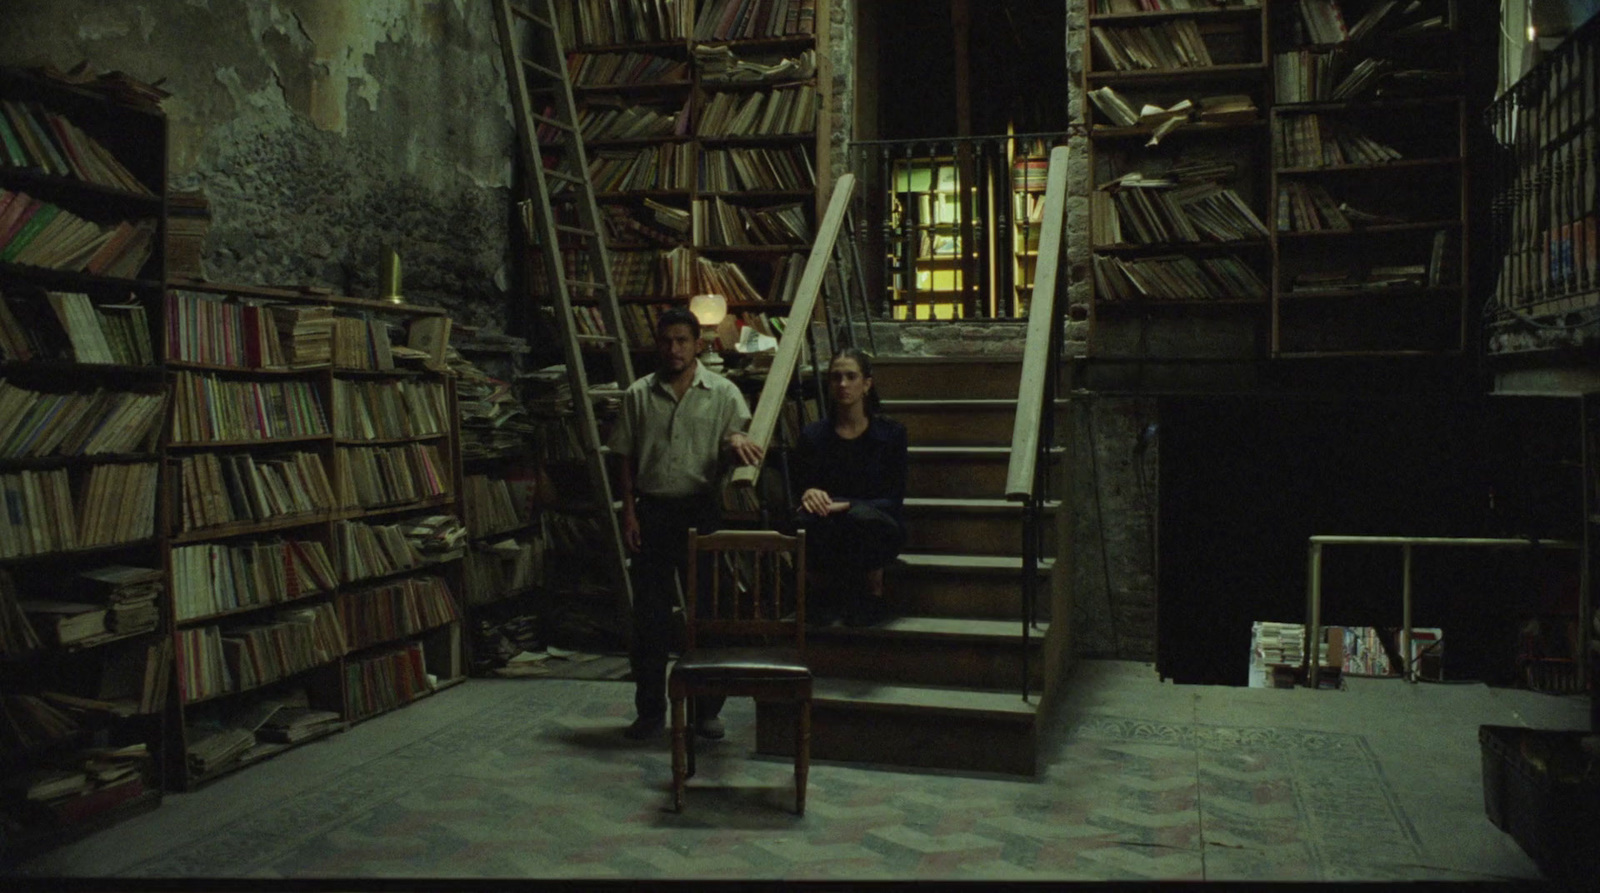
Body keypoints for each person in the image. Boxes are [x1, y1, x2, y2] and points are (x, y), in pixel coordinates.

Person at [608, 307, 764, 741]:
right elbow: (625, 455)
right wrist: (629, 512)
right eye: (666, 341)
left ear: (699, 344)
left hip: (701, 511)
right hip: (653, 511)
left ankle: (706, 710)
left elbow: (741, 443)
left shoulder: (724, 393)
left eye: (682, 340)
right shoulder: (639, 394)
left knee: (708, 615)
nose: (673, 349)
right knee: (651, 619)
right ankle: (650, 711)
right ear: (657, 344)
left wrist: (735, 440)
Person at [792, 347, 908, 626]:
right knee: (806, 517)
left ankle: (872, 595)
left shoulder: (891, 434)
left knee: (860, 518)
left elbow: (893, 499)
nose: (842, 384)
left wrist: (847, 504)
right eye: (836, 377)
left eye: (851, 376)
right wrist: (810, 492)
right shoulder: (814, 434)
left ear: (866, 384)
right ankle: (821, 595)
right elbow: (802, 486)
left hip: (875, 521)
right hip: (829, 520)